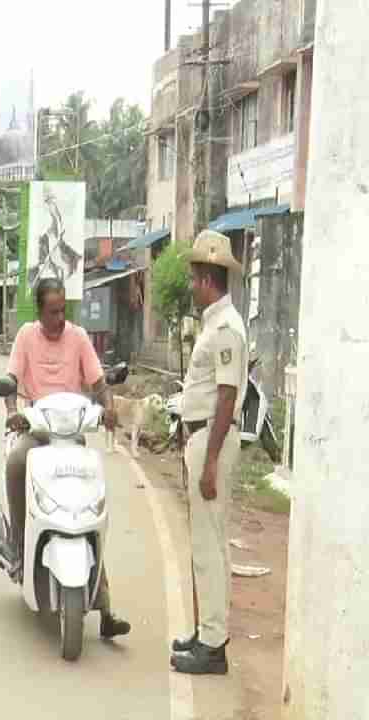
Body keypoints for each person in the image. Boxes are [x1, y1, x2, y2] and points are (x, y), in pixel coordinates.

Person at [3, 277, 130, 639]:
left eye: (64, 311)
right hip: (38, 430)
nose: (60, 318)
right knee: (16, 463)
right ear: (40, 311)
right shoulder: (26, 336)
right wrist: (13, 411)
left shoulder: (78, 337)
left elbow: (98, 382)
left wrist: (108, 407)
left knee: (88, 508)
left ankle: (105, 607)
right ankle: (18, 546)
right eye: (53, 312)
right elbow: (10, 379)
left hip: (72, 435)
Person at [170, 230, 246, 675]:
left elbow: (226, 397)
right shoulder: (213, 323)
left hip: (211, 443)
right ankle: (205, 631)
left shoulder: (226, 329)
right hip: (201, 439)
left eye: (194, 277)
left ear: (206, 279)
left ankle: (213, 645)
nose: (191, 285)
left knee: (210, 546)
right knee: (205, 544)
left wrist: (211, 461)